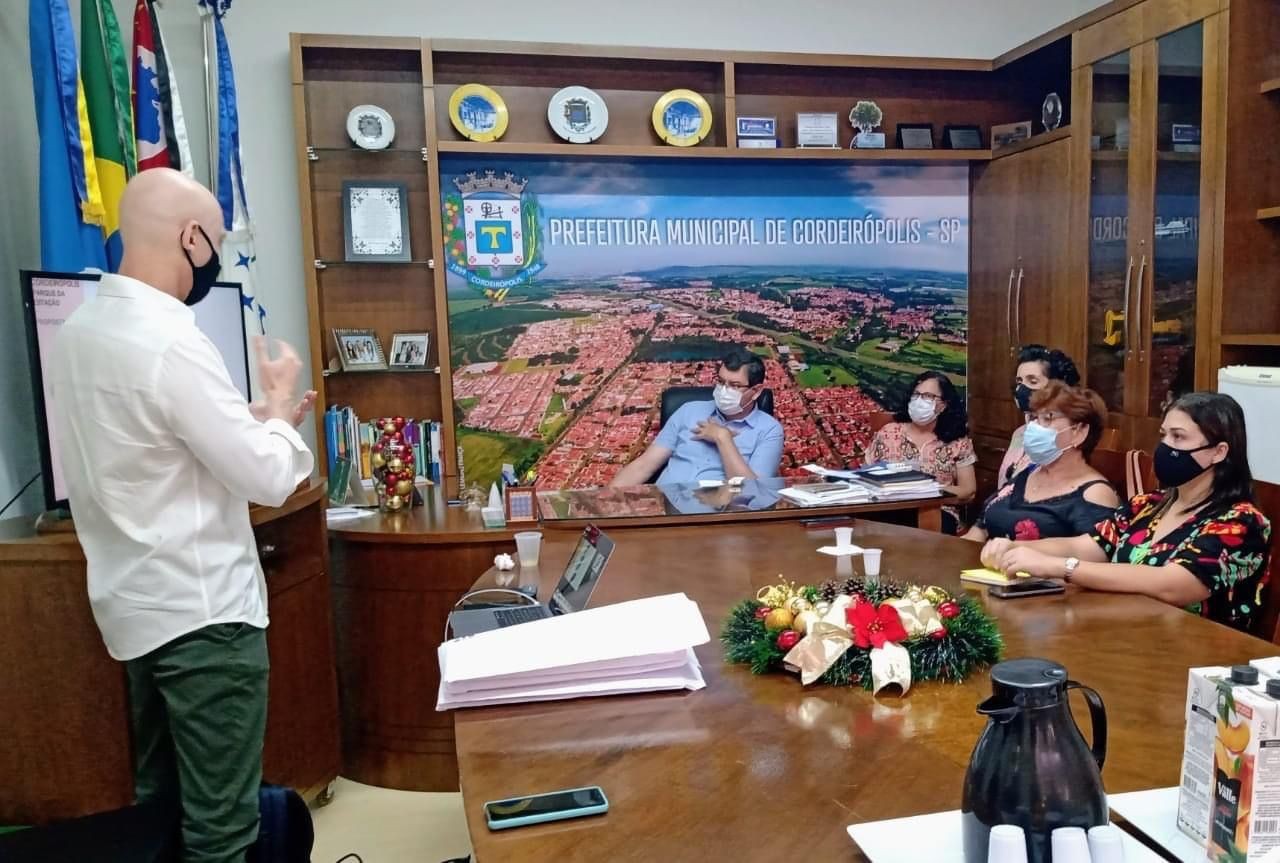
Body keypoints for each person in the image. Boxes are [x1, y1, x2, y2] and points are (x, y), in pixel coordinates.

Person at [50, 168, 317, 862]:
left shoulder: (82, 328)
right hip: (206, 619)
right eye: (217, 242)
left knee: (160, 812)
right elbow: (266, 477)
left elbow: (151, 449)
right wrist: (283, 413)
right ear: (191, 236)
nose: (217, 258)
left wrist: (247, 421)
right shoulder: (169, 339)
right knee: (222, 828)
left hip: (136, 609)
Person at [982, 392, 1272, 632]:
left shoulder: (1241, 521)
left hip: (1199, 658)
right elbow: (1087, 545)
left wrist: (1060, 567)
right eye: (1164, 435)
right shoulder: (1146, 505)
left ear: (1219, 452)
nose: (1166, 446)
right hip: (1124, 634)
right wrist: (1015, 548)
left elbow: (1173, 584)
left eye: (1179, 437)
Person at [964, 382, 1120, 543]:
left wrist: (1016, 551)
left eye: (1047, 418)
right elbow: (981, 526)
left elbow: (1095, 551)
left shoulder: (1095, 493)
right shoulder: (1027, 473)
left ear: (1079, 431)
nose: (1034, 426)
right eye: (1035, 417)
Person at [609, 347, 784, 487]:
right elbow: (645, 465)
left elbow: (753, 493)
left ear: (756, 391)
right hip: (665, 507)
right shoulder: (688, 411)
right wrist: (606, 497)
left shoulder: (769, 430)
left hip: (718, 517)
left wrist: (723, 439)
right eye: (721, 382)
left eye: (735, 386)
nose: (724, 391)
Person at [864, 370, 977, 533]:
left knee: (926, 526)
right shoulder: (887, 433)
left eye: (929, 396)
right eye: (916, 394)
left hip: (937, 511)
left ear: (943, 405)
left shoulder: (957, 441)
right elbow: (864, 479)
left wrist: (927, 491)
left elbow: (969, 491)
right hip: (889, 509)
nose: (919, 401)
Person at [999, 345, 1082, 487]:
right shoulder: (1019, 434)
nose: (1021, 389)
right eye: (1019, 382)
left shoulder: (1065, 436)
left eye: (1032, 381)